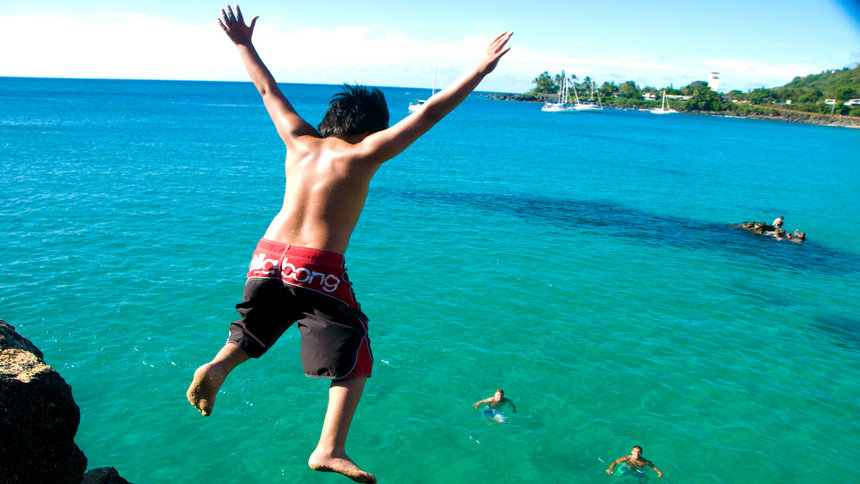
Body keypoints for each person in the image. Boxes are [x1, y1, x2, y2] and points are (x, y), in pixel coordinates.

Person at [185, 5, 511, 483]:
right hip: (315, 263)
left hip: (265, 256)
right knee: (355, 347)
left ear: (328, 120)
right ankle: (329, 448)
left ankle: (216, 368)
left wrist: (243, 44)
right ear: (373, 127)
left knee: (260, 324)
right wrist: (480, 68)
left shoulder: (298, 140)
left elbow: (267, 90)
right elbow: (433, 113)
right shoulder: (365, 153)